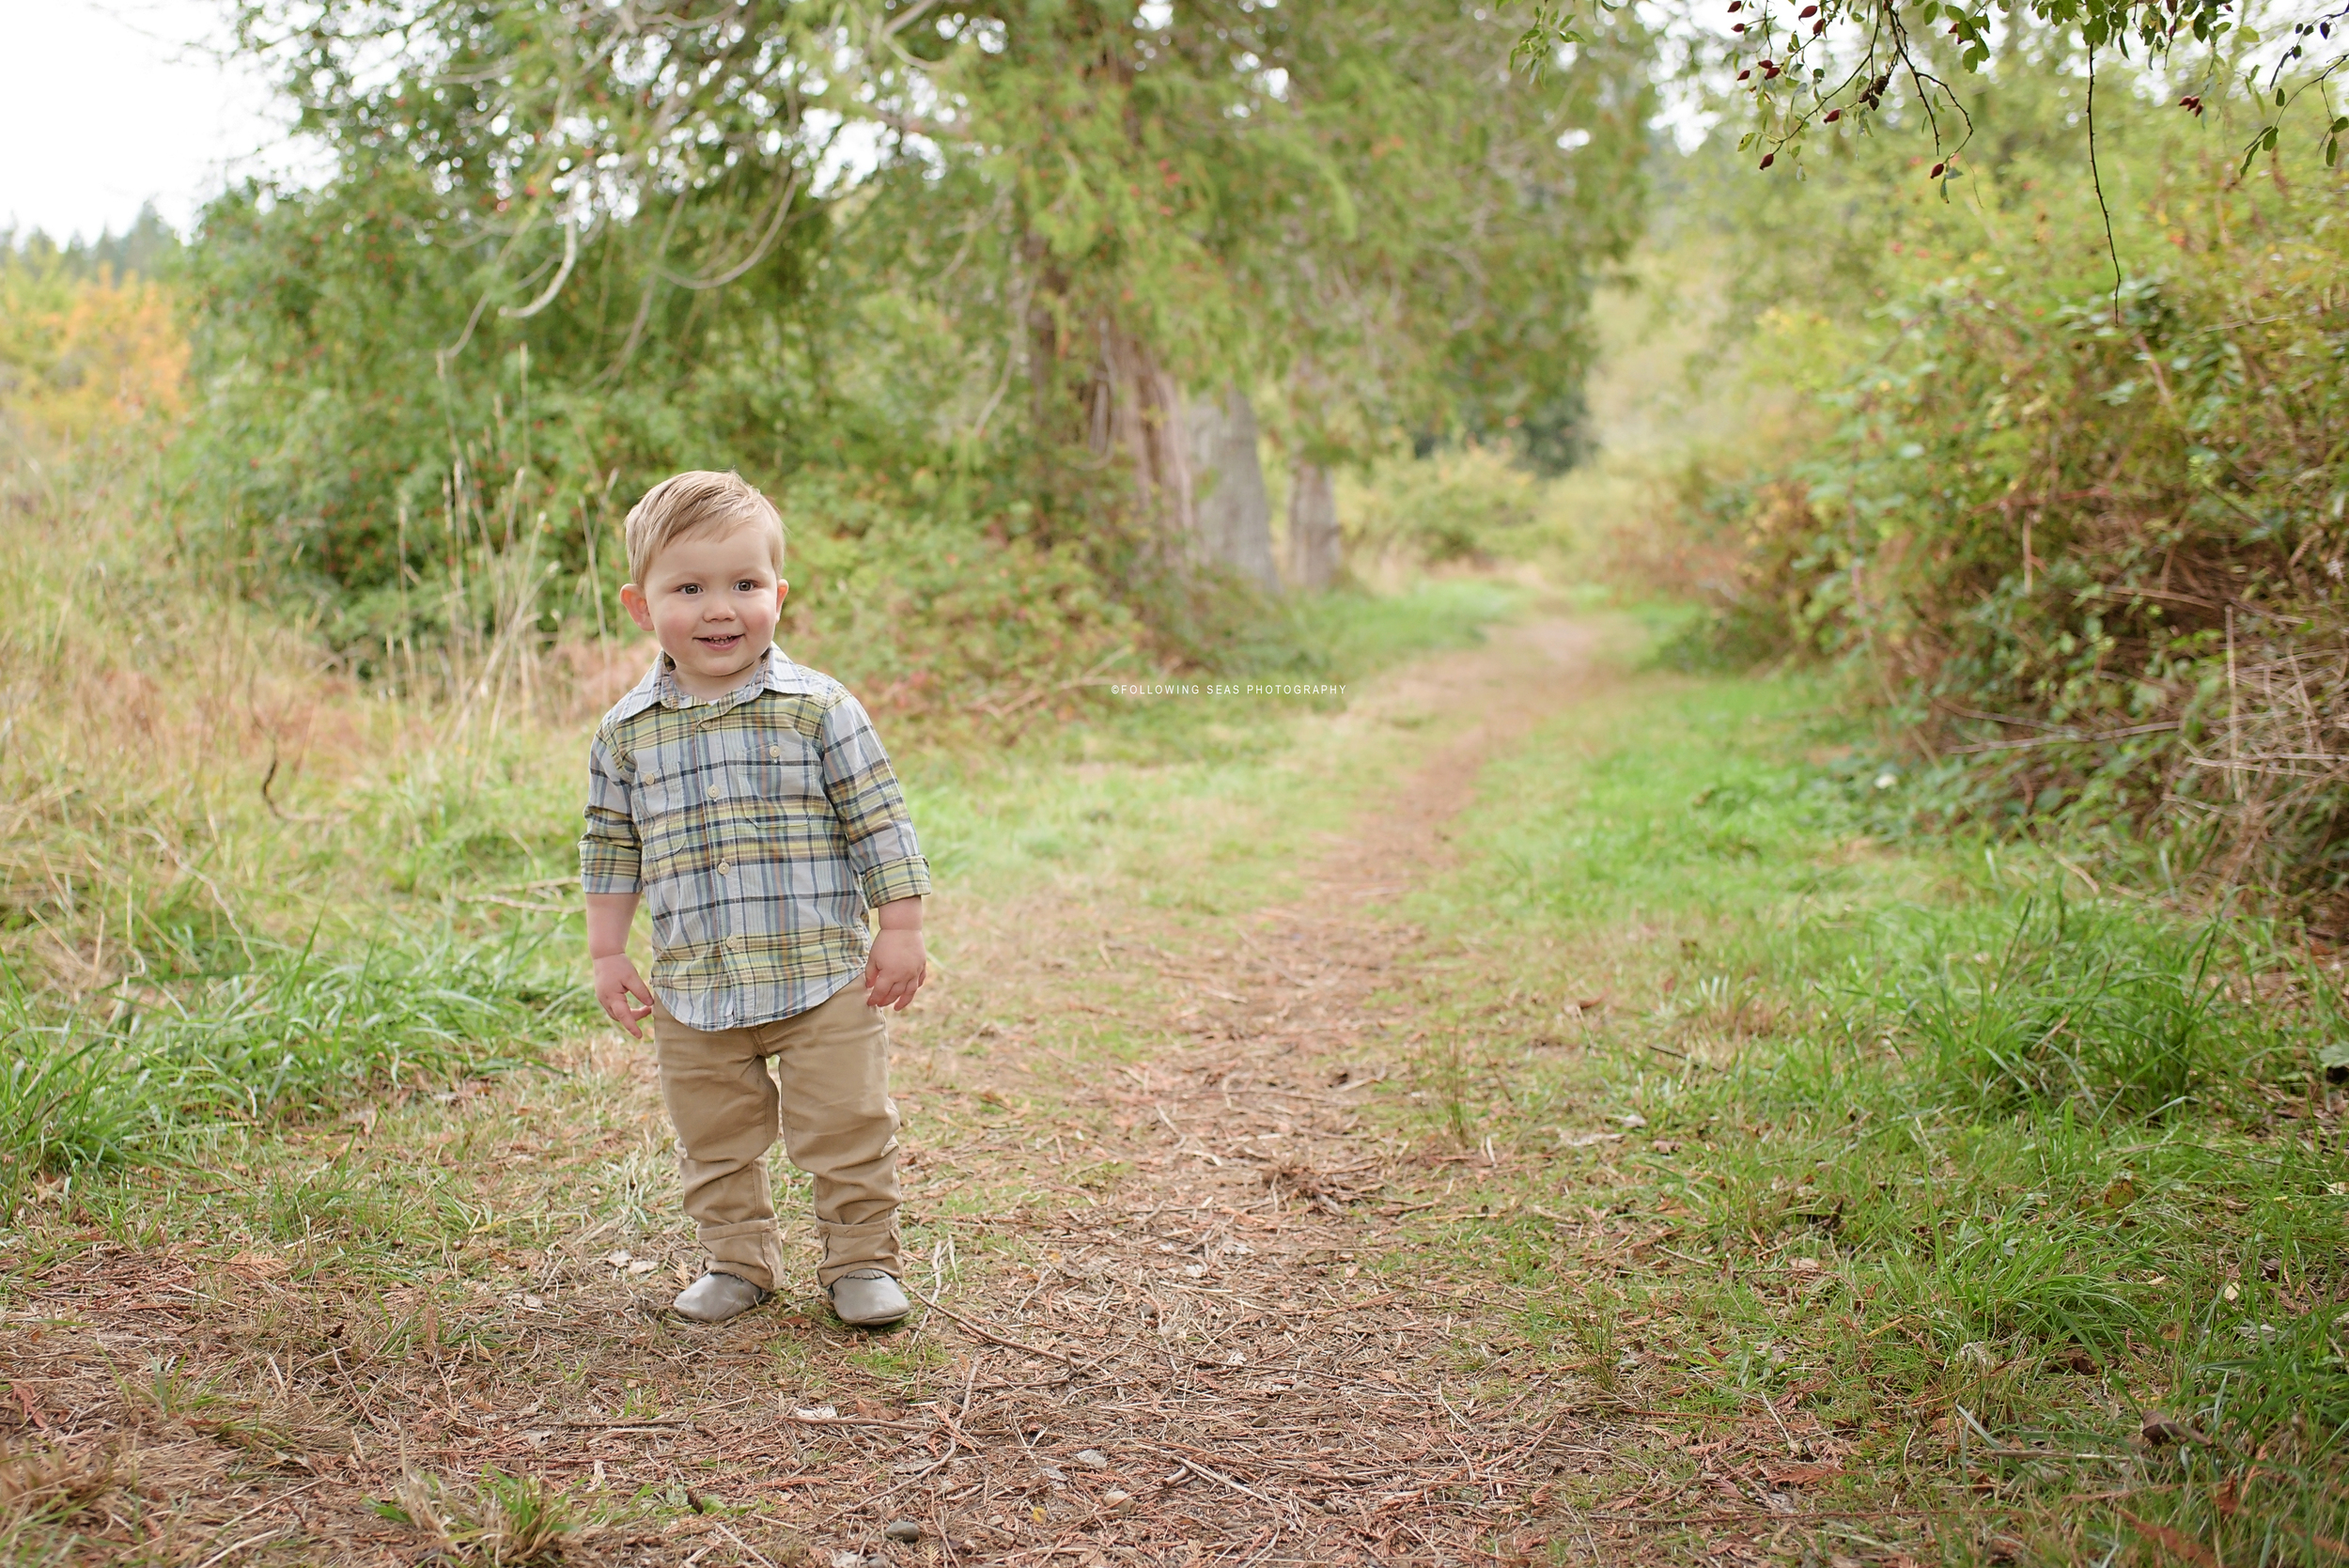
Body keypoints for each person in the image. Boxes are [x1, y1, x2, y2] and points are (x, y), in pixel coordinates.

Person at [579, 470, 930, 1327]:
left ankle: (860, 1260)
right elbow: (610, 846)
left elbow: (878, 818)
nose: (718, 609)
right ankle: (737, 1259)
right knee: (714, 1134)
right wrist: (608, 950)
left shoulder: (817, 709)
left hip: (820, 975)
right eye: (688, 588)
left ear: (779, 591)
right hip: (696, 987)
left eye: (743, 584)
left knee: (845, 1122)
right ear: (640, 603)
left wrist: (902, 925)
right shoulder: (627, 732)